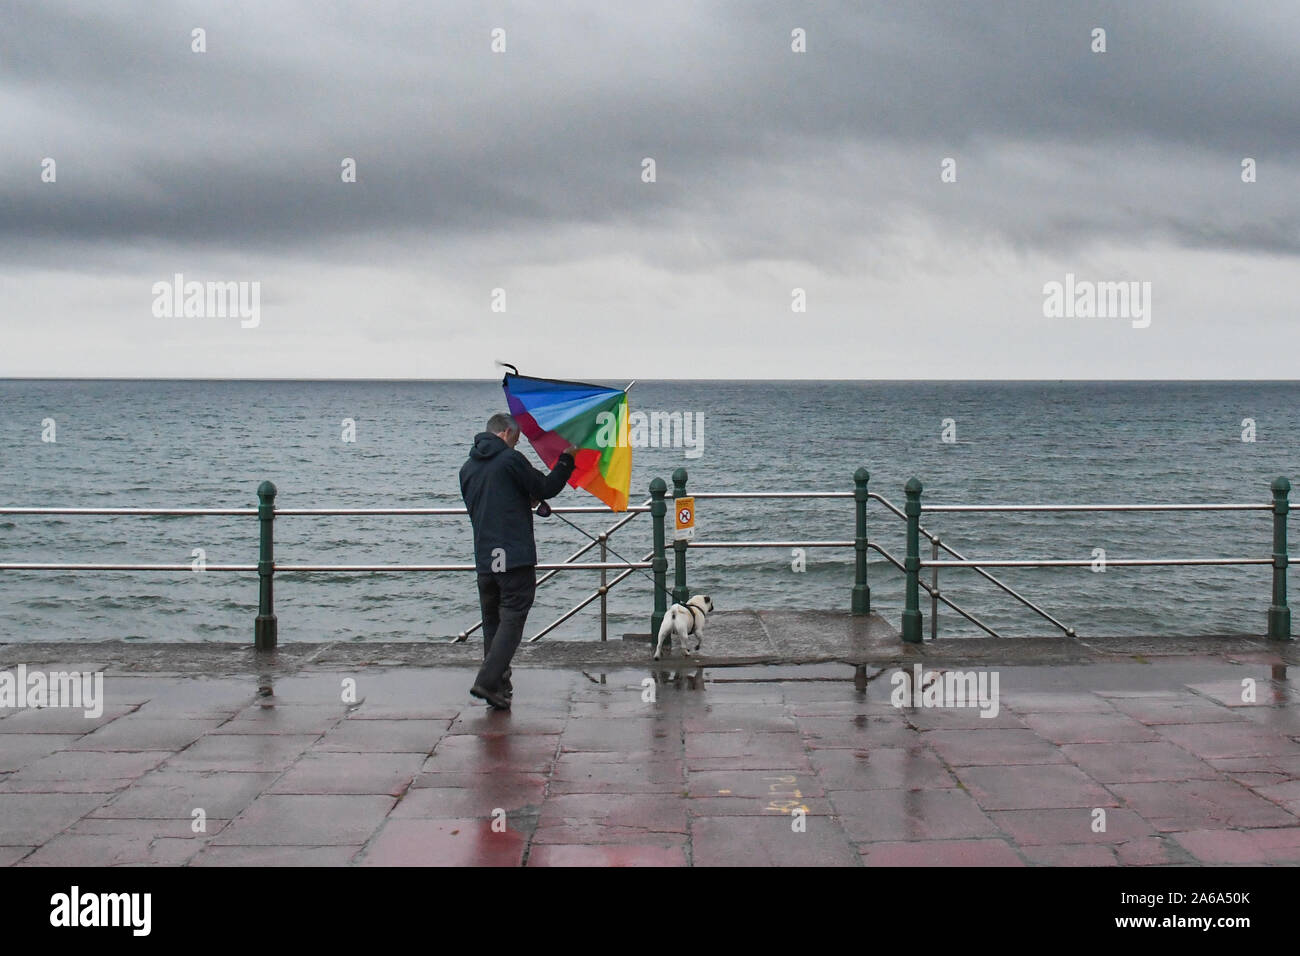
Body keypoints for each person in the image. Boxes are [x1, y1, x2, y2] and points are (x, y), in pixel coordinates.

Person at [459, 412, 576, 709]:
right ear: (506, 433)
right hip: (513, 556)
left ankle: (498, 686)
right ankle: (487, 681)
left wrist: (522, 500)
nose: (518, 441)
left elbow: (487, 506)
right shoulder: (510, 460)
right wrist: (566, 459)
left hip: (486, 557)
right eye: (517, 437)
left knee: (492, 622)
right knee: (513, 617)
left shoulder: (467, 469)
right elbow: (546, 488)